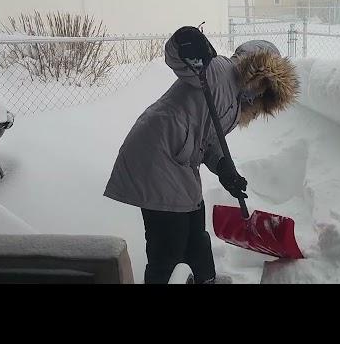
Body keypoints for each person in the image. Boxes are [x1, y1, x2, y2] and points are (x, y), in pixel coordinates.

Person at [104, 25, 299, 284]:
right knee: (168, 246)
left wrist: (223, 167)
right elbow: (181, 62)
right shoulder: (218, 71)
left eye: (266, 90)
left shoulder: (235, 105)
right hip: (156, 152)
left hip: (179, 160)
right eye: (262, 82)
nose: (260, 92)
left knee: (196, 235)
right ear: (254, 68)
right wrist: (185, 41)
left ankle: (206, 279)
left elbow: (207, 140)